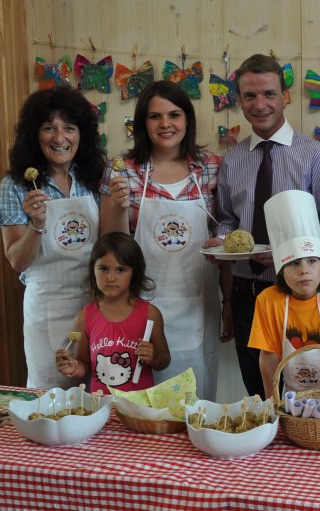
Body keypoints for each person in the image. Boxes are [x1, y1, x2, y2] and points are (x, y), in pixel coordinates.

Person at [205, 54, 320, 399]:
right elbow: (228, 219)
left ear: (285, 96)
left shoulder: (315, 155)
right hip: (247, 293)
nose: (260, 105)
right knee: (261, 394)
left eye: (269, 93)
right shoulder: (233, 160)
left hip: (300, 293)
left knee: (306, 392)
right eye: (249, 96)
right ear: (239, 101)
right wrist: (220, 241)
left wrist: (290, 251)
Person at [99, 80, 228, 401]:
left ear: (187, 119)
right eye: (155, 116)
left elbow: (223, 235)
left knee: (196, 402)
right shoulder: (122, 170)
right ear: (143, 123)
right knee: (143, 403)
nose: (165, 124)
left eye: (174, 115)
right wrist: (119, 206)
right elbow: (109, 244)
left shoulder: (211, 166)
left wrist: (229, 301)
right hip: (139, 307)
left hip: (200, 303)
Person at [0, 87, 105, 389]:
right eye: (49, 128)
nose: (59, 138)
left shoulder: (94, 178)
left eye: (69, 128)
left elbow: (111, 243)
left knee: (96, 391)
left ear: (82, 134)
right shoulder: (16, 185)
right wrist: (37, 224)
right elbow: (17, 261)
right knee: (50, 394)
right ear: (35, 134)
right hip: (46, 306)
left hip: (96, 303)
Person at [248, 191, 320, 398]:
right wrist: (272, 404)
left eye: (312, 261)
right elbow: (268, 357)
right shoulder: (268, 301)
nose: (304, 270)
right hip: (291, 403)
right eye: (294, 263)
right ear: (281, 268)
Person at [55, 232, 170, 393]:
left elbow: (164, 359)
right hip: (100, 404)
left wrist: (154, 357)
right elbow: (84, 364)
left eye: (120, 270)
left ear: (135, 272)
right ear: (93, 270)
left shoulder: (151, 315)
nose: (111, 278)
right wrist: (73, 367)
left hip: (139, 404)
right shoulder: (83, 318)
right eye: (103, 269)